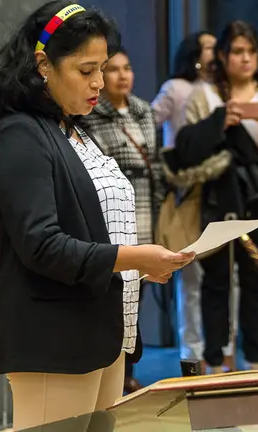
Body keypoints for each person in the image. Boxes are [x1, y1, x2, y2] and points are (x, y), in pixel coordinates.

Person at [0, 2, 194, 429]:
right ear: (44, 64)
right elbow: (42, 245)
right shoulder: (19, 133)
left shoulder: (74, 129)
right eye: (86, 70)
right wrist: (133, 259)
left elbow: (92, 232)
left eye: (104, 68)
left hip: (101, 333)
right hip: (52, 341)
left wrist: (139, 270)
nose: (99, 82)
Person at [168, 21, 258, 373]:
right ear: (223, 56)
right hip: (216, 201)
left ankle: (255, 361)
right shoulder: (206, 96)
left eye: (251, 52)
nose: (245, 59)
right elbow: (187, 150)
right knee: (216, 284)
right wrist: (220, 122)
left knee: (257, 283)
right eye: (237, 52)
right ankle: (215, 363)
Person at [82, 48, 166, 392]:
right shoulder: (91, 114)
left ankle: (129, 368)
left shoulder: (144, 110)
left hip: (146, 209)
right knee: (117, 291)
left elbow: (156, 163)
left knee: (139, 293)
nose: (121, 76)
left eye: (127, 68)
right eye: (111, 69)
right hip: (112, 217)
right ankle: (117, 369)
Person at [151, 31, 227, 368]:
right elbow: (149, 120)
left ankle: (222, 349)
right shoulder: (174, 88)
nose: (216, 53)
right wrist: (168, 160)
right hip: (186, 185)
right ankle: (190, 351)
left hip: (218, 184)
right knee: (191, 276)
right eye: (210, 47)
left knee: (224, 278)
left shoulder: (218, 88)